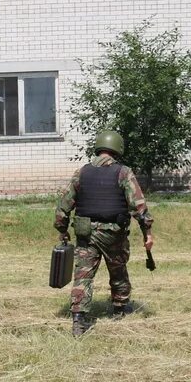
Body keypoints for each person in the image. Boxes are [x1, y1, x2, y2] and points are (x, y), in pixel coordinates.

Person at [54, 129, 155, 336]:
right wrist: (148, 233)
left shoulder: (81, 172)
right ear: (117, 148)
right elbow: (139, 206)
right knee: (117, 269)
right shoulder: (123, 172)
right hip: (113, 233)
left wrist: (62, 231)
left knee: (83, 275)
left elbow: (63, 207)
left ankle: (78, 319)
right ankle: (120, 307)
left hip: (85, 233)